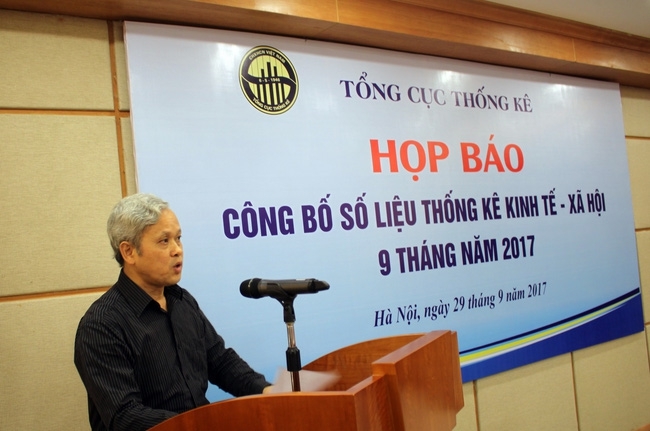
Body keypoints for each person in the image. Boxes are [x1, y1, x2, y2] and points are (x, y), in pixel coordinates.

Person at [74, 193, 271, 431]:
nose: (177, 250)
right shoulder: (101, 325)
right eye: (164, 241)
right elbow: (125, 417)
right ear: (129, 252)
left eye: (178, 238)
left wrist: (266, 391)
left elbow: (220, 361)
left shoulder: (181, 300)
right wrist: (202, 425)